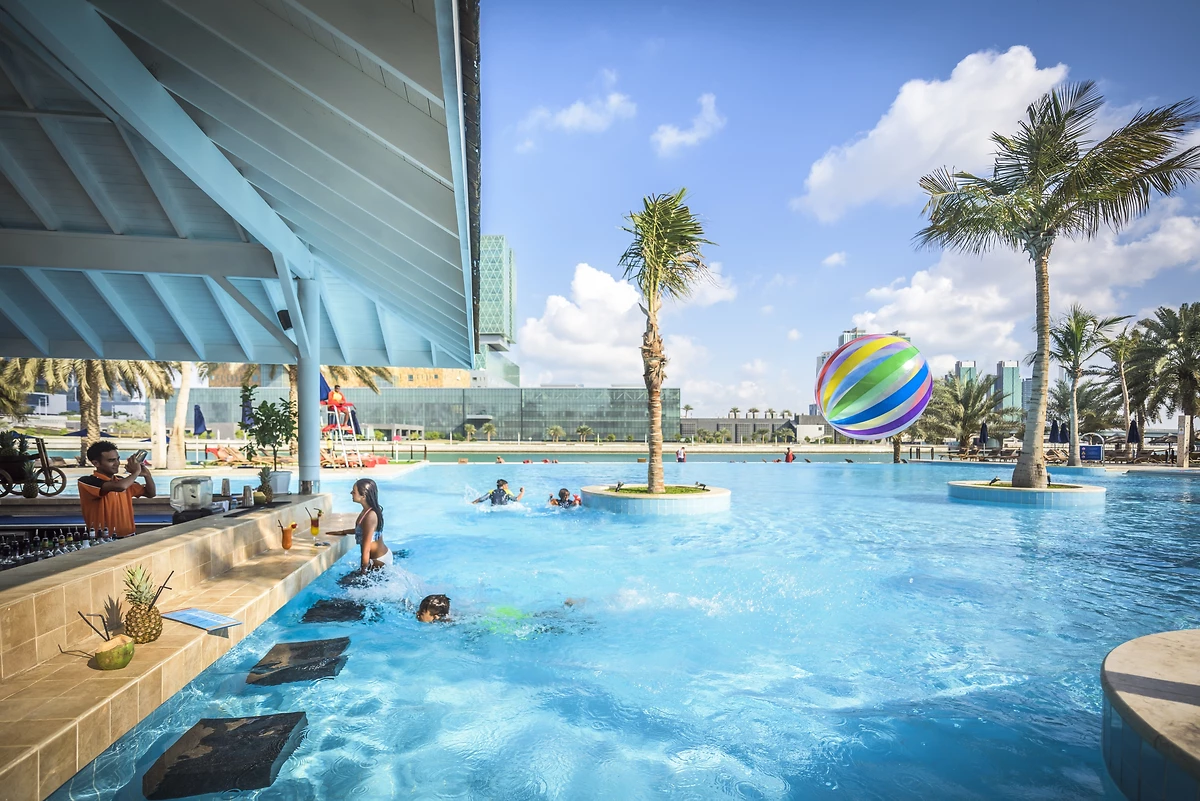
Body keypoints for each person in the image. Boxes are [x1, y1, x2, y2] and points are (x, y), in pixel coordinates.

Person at [78, 441, 155, 537]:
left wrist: (147, 475)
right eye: (111, 460)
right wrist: (136, 472)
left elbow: (150, 493)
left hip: (129, 536)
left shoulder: (122, 481)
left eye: (118, 459)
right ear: (96, 463)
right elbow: (120, 487)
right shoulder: (87, 481)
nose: (117, 463)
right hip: (103, 539)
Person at [330, 478, 390, 572]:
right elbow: (363, 530)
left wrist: (363, 572)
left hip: (379, 561)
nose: (351, 493)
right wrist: (343, 532)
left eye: (354, 492)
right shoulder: (367, 510)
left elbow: (366, 549)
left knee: (346, 584)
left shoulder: (370, 516)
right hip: (376, 558)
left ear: (363, 496)